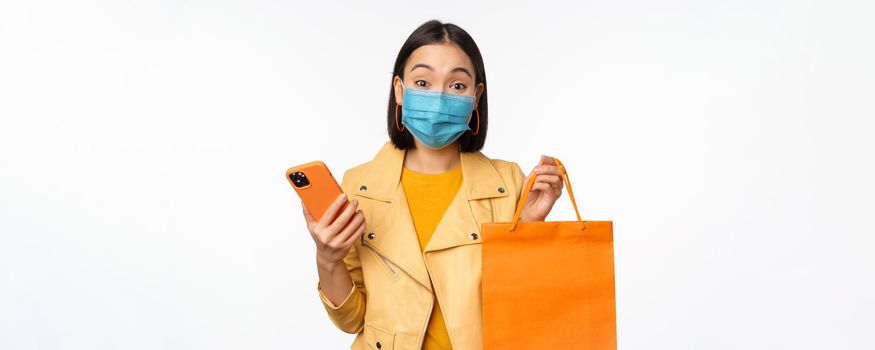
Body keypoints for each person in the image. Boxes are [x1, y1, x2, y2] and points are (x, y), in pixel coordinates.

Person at [302, 19, 565, 350]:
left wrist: (528, 226)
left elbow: (525, 308)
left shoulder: (509, 183)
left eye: (456, 86)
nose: (439, 99)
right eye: (423, 82)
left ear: (476, 96)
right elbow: (353, 319)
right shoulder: (358, 186)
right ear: (399, 90)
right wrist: (328, 258)